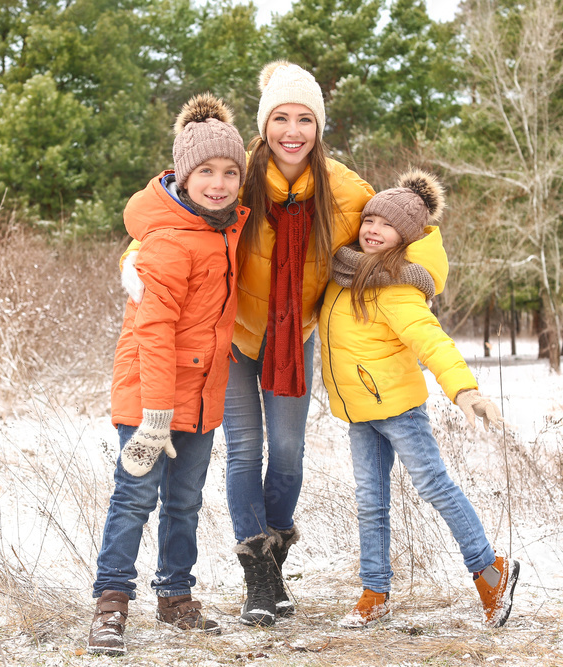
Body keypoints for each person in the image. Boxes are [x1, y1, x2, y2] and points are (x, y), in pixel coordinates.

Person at [122, 60, 449, 627]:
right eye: (279, 118)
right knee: (245, 451)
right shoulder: (234, 172)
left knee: (290, 454)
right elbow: (163, 214)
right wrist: (132, 260)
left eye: (304, 119)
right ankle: (260, 576)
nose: (291, 131)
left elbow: (412, 233)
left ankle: (278, 545)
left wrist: (421, 280)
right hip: (235, 337)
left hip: (295, 336)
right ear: (263, 123)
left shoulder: (347, 191)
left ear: (320, 126)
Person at [318, 169, 519, 629]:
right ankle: (374, 592)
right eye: (369, 219)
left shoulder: (395, 284)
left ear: (403, 237)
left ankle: (491, 572)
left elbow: (431, 340)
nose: (373, 229)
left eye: (386, 226)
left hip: (400, 411)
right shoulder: (343, 271)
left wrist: (465, 390)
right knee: (370, 502)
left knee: (434, 486)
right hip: (360, 413)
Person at [87, 93, 250, 655]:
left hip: (202, 402)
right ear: (183, 174)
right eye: (206, 171)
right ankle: (111, 605)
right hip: (149, 402)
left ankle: (176, 597)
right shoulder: (167, 241)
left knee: (184, 503)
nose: (219, 183)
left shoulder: (224, 232)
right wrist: (155, 417)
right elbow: (152, 333)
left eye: (230, 172)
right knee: (133, 501)